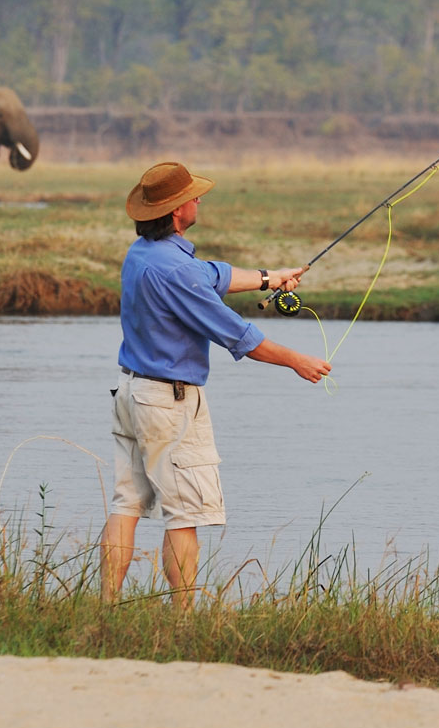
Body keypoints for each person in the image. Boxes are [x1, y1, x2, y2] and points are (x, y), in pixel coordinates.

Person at [101, 161, 331, 605]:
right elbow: (237, 335)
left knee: (125, 505)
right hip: (168, 403)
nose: (199, 200)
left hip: (130, 392)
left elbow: (213, 275)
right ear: (174, 211)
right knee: (183, 514)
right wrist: (297, 361)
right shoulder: (176, 270)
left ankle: (108, 606)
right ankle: (184, 616)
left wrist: (271, 277)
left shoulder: (144, 254)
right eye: (193, 196)